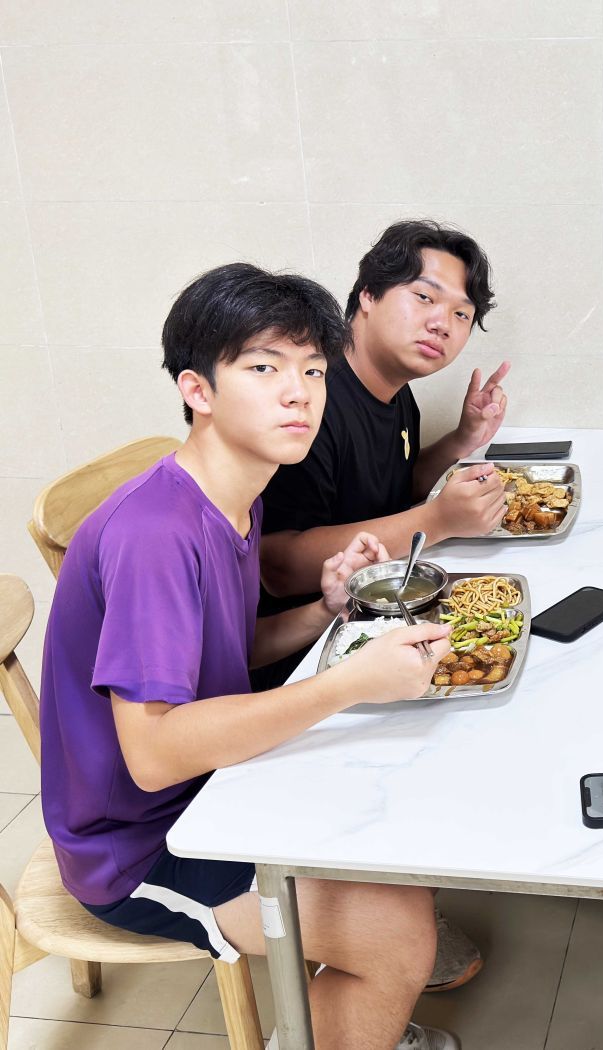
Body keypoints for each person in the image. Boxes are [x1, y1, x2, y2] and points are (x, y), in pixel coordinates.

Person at [40, 263, 461, 1050]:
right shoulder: (155, 534)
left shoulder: (234, 497)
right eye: (264, 369)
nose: (299, 393)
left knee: (408, 808)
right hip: (140, 844)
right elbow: (155, 756)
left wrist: (325, 612)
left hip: (213, 782)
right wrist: (346, 683)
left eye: (313, 370)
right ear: (198, 389)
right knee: (396, 932)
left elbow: (222, 654)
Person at [252, 219, 505, 988]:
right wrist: (439, 520)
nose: (443, 323)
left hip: (353, 619)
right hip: (289, 655)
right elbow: (279, 563)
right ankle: (373, 903)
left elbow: (386, 494)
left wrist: (458, 443)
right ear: (365, 296)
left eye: (461, 313)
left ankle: (402, 885)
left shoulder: (392, 397)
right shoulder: (315, 398)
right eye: (425, 297)